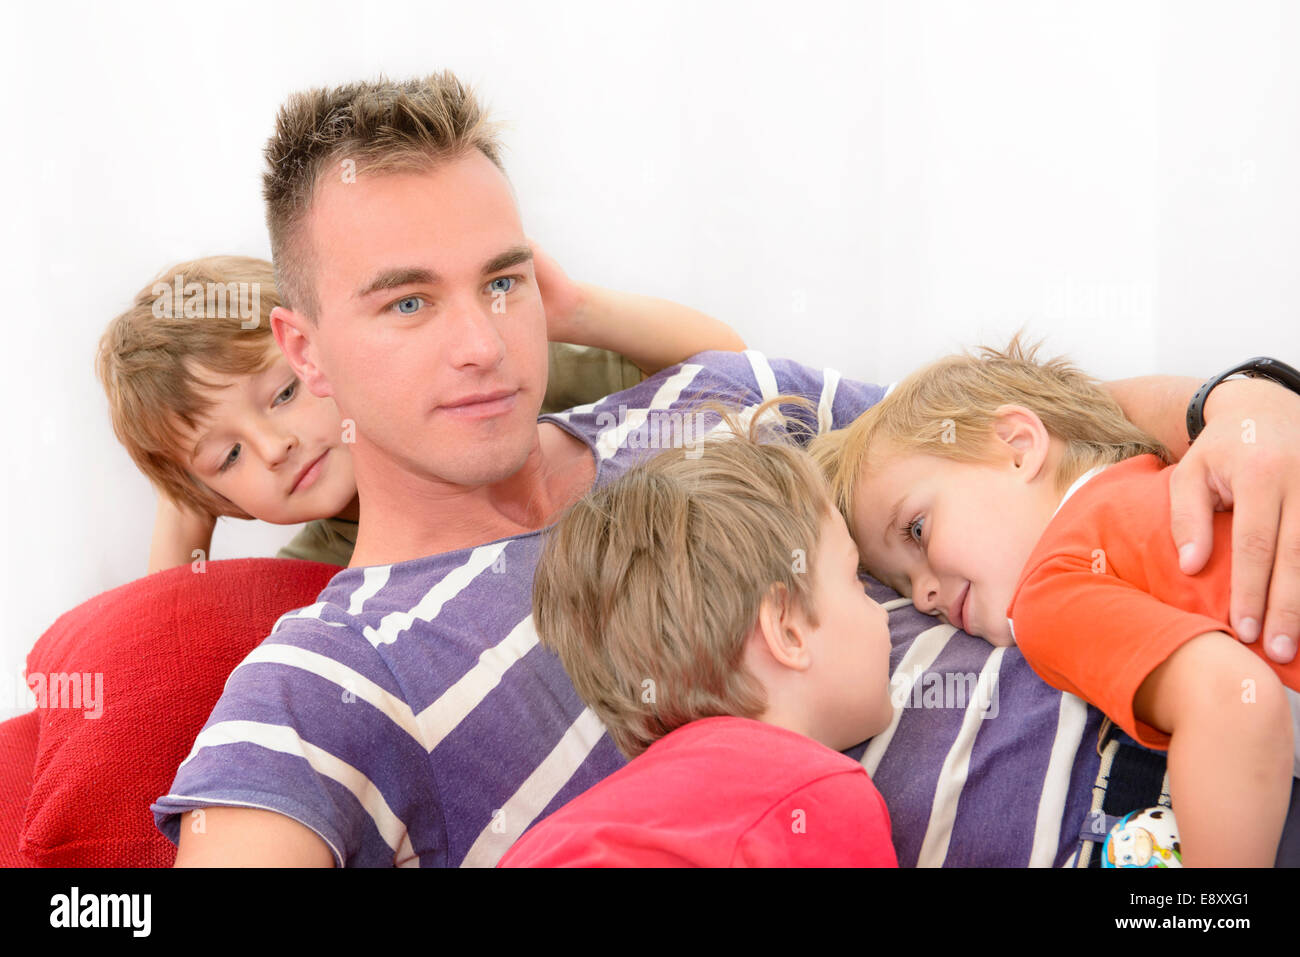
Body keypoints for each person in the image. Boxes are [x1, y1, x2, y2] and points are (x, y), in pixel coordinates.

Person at [154, 71, 1300, 867]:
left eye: (501, 282)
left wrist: (1238, 403)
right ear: (303, 346)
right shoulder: (339, 671)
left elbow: (1013, 418)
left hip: (1234, 709)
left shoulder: (709, 400)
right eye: (408, 300)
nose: (482, 342)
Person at [815, 336, 1299, 866]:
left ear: (1019, 446)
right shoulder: (1179, 472)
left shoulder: (1048, 594)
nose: (925, 594)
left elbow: (1236, 701)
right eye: (904, 587)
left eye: (917, 530)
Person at [97, 253, 741, 571]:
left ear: (321, 348)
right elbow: (165, 645)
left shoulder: (484, 392)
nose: (273, 448)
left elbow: (728, 363)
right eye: (229, 456)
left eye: (285, 394)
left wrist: (573, 311)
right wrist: (185, 501)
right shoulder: (315, 573)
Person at [500, 398, 897, 866]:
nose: (887, 613)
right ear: (786, 629)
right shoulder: (814, 793)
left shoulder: (552, 838)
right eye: (857, 581)